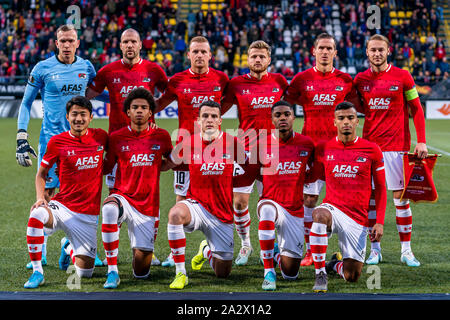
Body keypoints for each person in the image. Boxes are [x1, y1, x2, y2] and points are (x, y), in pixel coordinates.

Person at [16, 24, 103, 269]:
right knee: (46, 197)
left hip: (81, 145)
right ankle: (40, 251)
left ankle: (73, 246)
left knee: (79, 198)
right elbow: (25, 104)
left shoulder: (86, 67)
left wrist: (123, 95)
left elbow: (96, 93)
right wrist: (22, 136)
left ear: (78, 42)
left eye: (70, 41)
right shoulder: (42, 68)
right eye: (62, 41)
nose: (66, 45)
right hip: (53, 143)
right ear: (56, 43)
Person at [86, 28, 168, 266]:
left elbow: (169, 93)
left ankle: (144, 249)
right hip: (117, 145)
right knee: (114, 197)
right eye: (125, 42)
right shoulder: (108, 71)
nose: (129, 45)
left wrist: (153, 111)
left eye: (133, 41)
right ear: (120, 45)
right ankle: (111, 252)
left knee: (147, 195)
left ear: (140, 44)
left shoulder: (153, 69)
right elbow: (89, 93)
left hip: (146, 144)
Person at [284, 33, 360, 267]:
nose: (325, 52)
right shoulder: (301, 79)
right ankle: (309, 250)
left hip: (339, 150)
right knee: (309, 198)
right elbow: (288, 102)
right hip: (312, 150)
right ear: (313, 52)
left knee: (345, 200)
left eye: (330, 48)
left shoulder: (346, 80)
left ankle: (348, 251)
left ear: (335, 53)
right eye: (321, 48)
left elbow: (356, 107)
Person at [354, 34, 428, 267]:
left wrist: (422, 141)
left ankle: (406, 251)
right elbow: (354, 108)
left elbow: (416, 109)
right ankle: (375, 250)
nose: (377, 53)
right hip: (370, 148)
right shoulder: (360, 80)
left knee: (400, 200)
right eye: (373, 50)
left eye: (380, 50)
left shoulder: (403, 76)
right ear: (367, 53)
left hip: (397, 148)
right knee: (371, 201)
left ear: (388, 51)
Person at [156, 36, 229, 267]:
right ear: (188, 55)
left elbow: (227, 103)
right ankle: (174, 254)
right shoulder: (177, 80)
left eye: (203, 52)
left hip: (213, 150)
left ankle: (214, 243)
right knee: (181, 198)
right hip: (184, 149)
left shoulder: (221, 78)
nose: (199, 55)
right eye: (195, 51)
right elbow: (158, 104)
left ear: (210, 55)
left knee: (219, 198)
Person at [24, 96, 108, 289]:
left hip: (88, 215)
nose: (78, 118)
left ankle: (68, 246)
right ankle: (38, 272)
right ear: (68, 117)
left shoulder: (101, 137)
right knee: (36, 214)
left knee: (85, 273)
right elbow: (41, 174)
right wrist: (40, 198)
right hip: (62, 206)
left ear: (91, 117)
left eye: (83, 114)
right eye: (74, 114)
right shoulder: (57, 142)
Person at [163, 100, 246, 290]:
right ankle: (180, 273)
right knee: (175, 214)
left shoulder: (233, 143)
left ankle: (205, 249)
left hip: (222, 213)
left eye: (214, 116)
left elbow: (248, 169)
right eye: (205, 116)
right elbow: (167, 164)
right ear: (198, 121)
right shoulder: (188, 143)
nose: (209, 120)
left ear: (220, 121)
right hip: (196, 205)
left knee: (222, 273)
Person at [221, 40, 288, 266]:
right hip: (244, 151)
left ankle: (273, 246)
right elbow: (217, 110)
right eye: (253, 56)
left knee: (272, 202)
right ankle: (246, 244)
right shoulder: (236, 84)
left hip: (274, 151)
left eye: (261, 56)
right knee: (239, 203)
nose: (257, 60)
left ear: (269, 59)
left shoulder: (279, 82)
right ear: (247, 59)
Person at [310, 101, 386, 293]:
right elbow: (313, 178)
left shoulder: (372, 150)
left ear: (357, 122)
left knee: (352, 276)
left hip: (357, 218)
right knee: (319, 215)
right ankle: (320, 274)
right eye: (341, 118)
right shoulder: (323, 148)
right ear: (334, 122)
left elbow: (381, 188)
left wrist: (379, 222)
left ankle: (334, 264)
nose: (346, 122)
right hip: (333, 208)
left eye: (350, 118)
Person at [101, 88, 173, 289]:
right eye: (135, 107)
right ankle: (112, 270)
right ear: (128, 112)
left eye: (144, 107)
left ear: (151, 112)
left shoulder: (162, 136)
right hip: (123, 196)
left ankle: (139, 258)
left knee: (141, 272)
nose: (139, 111)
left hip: (147, 206)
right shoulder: (116, 138)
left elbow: (171, 160)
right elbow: (106, 167)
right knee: (108, 208)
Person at [252, 101, 315, 290]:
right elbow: (252, 171)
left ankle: (276, 254)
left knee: (290, 274)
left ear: (294, 118)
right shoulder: (261, 144)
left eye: (286, 114)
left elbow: (314, 170)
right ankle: (268, 272)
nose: (282, 118)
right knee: (267, 212)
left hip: (295, 210)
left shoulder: (306, 143)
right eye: (278, 115)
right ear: (272, 119)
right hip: (271, 202)